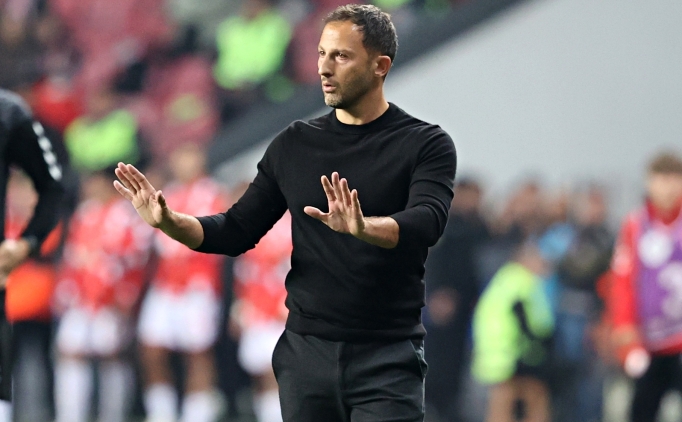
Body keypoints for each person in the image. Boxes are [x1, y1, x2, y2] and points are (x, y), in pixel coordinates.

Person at [114, 4, 456, 422]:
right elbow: (235, 230)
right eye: (321, 54)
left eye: (341, 56)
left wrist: (364, 227)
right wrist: (170, 221)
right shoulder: (294, 143)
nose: (325, 67)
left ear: (380, 66)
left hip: (385, 353)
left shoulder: (425, 143)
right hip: (305, 356)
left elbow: (428, 221)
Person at [53, 168, 153, 422]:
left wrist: (126, 296)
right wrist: (65, 292)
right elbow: (72, 258)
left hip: (112, 300)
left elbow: (136, 258)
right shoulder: (83, 215)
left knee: (112, 356)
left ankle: (113, 415)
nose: (90, 189)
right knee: (70, 352)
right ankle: (70, 416)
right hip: (81, 299)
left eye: (95, 183)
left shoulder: (126, 216)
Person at [136, 145, 227, 422]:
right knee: (151, 349)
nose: (182, 163)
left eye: (188, 156)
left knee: (197, 352)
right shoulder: (169, 192)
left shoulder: (213, 193)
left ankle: (197, 414)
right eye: (178, 157)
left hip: (197, 284)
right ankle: (161, 412)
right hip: (165, 282)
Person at [0, 88, 65, 418]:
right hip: (17, 301)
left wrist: (25, 245)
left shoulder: (8, 113)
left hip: (27, 303)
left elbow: (53, 191)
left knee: (30, 367)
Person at [608, 152, 682, 422]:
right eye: (661, 180)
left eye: (674, 180)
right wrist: (625, 330)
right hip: (649, 339)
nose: (667, 188)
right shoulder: (635, 225)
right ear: (649, 183)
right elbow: (623, 280)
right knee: (643, 408)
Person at [472, 241, 554, 422]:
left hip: (495, 354)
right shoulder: (523, 281)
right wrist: (541, 346)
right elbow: (534, 323)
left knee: (500, 402)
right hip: (516, 354)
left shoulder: (504, 278)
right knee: (535, 398)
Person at [231, 210, 291, 422]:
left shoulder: (294, 226)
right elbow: (244, 274)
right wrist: (239, 307)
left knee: (275, 373)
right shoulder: (252, 225)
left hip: (280, 312)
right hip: (255, 310)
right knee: (258, 373)